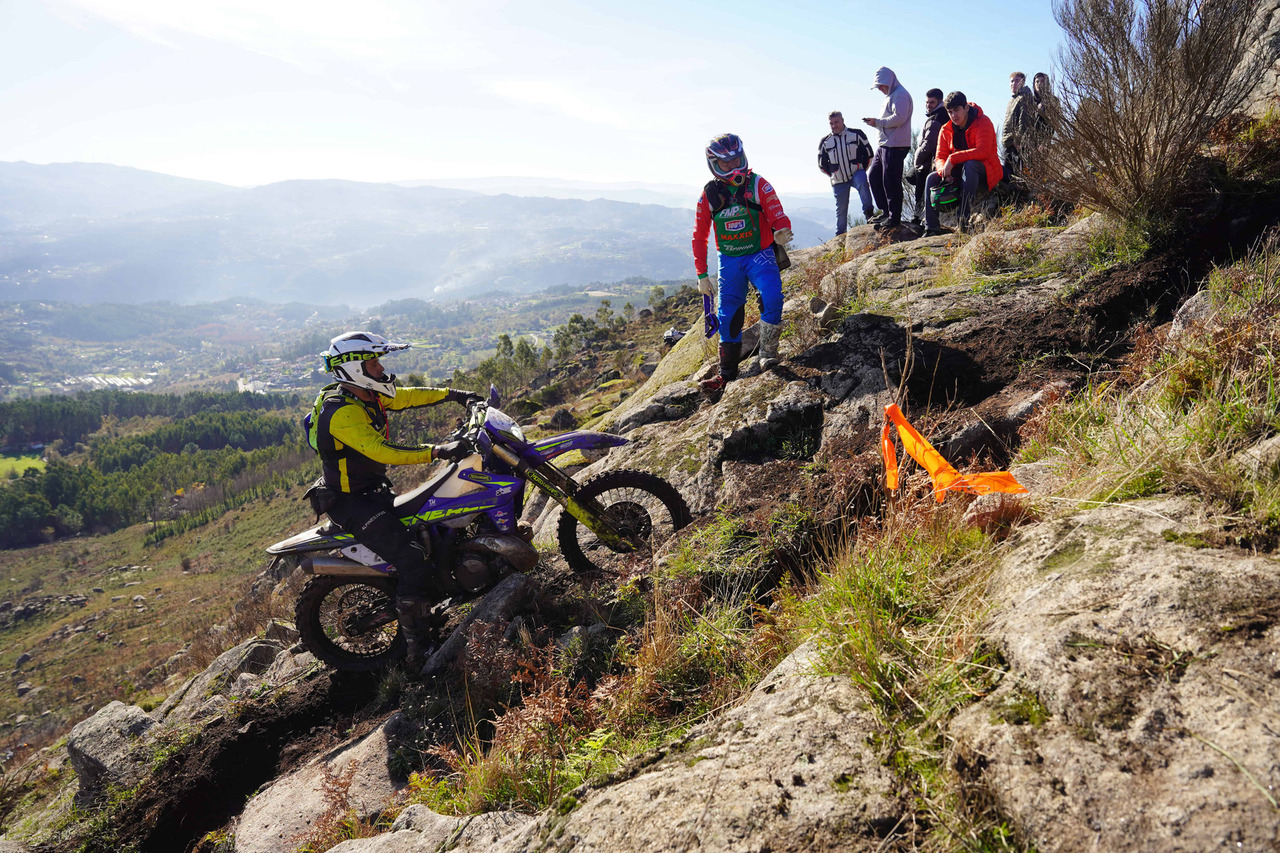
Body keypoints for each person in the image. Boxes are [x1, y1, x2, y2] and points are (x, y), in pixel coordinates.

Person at [310, 331, 479, 668]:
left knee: (434, 535)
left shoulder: (364, 395)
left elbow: (405, 397)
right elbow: (382, 451)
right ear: (355, 368)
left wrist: (455, 395)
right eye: (373, 362)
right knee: (412, 560)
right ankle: (419, 651)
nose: (380, 367)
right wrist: (437, 450)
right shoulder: (341, 412)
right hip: (351, 503)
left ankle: (436, 600)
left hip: (373, 491)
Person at [692, 133, 793, 395]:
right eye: (725, 163)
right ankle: (726, 374)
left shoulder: (758, 184)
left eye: (736, 159)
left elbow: (776, 211)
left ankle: (768, 353)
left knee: (772, 296)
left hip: (760, 254)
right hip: (729, 260)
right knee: (727, 313)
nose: (733, 166)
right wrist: (702, 274)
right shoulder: (709, 194)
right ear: (714, 164)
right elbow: (699, 236)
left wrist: (781, 229)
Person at [922, 92, 1003, 238]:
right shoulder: (946, 129)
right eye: (950, 112)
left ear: (966, 107)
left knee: (970, 165)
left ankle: (963, 219)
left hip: (985, 171)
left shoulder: (983, 122)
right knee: (931, 178)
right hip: (960, 174)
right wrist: (944, 172)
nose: (953, 115)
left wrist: (953, 159)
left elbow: (983, 151)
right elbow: (940, 157)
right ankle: (931, 228)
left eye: (957, 110)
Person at [862, 66, 914, 231]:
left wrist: (877, 123)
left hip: (896, 145)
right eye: (878, 86)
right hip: (885, 144)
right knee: (874, 177)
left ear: (889, 81)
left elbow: (899, 118)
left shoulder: (900, 95)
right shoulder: (892, 95)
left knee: (891, 181)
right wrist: (877, 123)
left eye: (881, 85)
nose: (880, 89)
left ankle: (894, 217)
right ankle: (886, 212)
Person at [818, 110, 874, 235]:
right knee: (841, 210)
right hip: (838, 180)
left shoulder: (857, 134)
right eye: (831, 123)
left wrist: (861, 169)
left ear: (843, 120)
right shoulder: (825, 142)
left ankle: (870, 216)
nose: (834, 125)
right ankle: (840, 236)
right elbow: (822, 165)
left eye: (836, 122)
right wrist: (834, 173)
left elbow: (869, 154)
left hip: (856, 173)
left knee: (862, 182)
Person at [910, 88, 947, 228]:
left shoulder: (936, 119)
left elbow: (928, 145)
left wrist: (916, 161)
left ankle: (919, 217)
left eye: (932, 102)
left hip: (930, 162)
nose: (928, 105)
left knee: (920, 186)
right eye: (927, 102)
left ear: (939, 101)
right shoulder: (940, 115)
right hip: (934, 161)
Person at [1002, 72, 1037, 177]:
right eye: (1012, 81)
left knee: (1016, 174)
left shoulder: (1025, 97)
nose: (1014, 84)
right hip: (1009, 142)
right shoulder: (1012, 100)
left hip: (1016, 143)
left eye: (1017, 81)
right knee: (1007, 174)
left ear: (1023, 82)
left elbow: (1024, 121)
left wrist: (1019, 140)